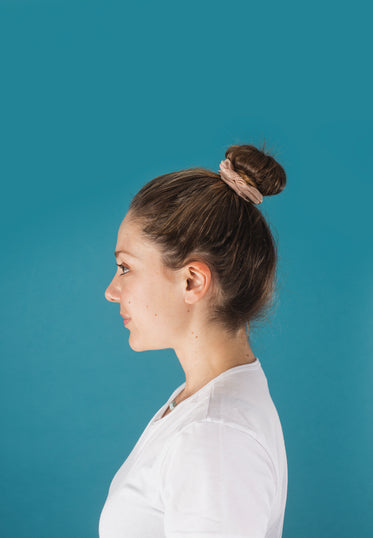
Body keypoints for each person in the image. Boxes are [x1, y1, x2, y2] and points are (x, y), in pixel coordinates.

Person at [99, 143, 288, 537]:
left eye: (125, 267)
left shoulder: (213, 435)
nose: (111, 290)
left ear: (192, 281)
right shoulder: (202, 405)